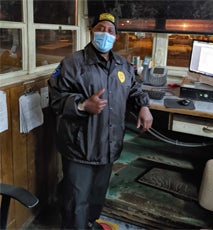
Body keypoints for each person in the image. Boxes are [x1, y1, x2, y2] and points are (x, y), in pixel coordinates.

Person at [48, 12, 153, 230]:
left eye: (110, 31)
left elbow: (134, 89)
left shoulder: (123, 65)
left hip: (109, 145)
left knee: (96, 197)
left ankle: (89, 223)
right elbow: (56, 99)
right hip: (80, 147)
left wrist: (143, 106)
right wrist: (82, 105)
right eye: (101, 29)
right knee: (76, 201)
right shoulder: (72, 63)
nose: (105, 33)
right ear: (92, 31)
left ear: (116, 36)